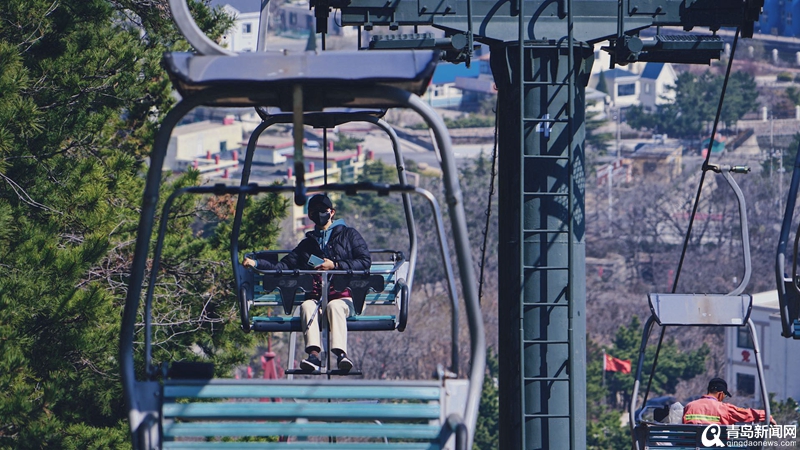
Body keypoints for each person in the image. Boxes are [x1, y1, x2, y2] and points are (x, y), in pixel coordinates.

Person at [243, 194, 371, 373]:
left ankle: (341, 354)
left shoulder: (349, 235)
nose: (319, 215)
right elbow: (284, 265)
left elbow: (365, 261)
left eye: (323, 211)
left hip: (348, 297)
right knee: (306, 306)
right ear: (310, 216)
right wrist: (257, 264)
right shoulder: (307, 245)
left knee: (334, 307)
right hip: (319, 299)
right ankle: (313, 355)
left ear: (331, 212)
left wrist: (335, 265)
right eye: (314, 212)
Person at [683, 377, 776, 425]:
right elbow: (746, 414)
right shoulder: (724, 409)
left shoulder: (689, 406)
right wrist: (767, 416)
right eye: (724, 396)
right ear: (720, 394)